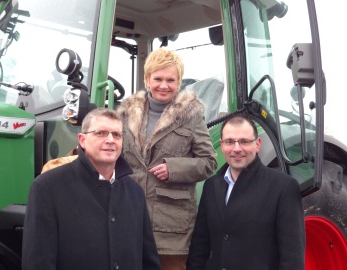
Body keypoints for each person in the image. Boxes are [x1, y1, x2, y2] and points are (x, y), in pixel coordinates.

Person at [22, 108, 161, 270]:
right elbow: (37, 262)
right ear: (82, 140)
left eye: (117, 135)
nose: (110, 140)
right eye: (101, 133)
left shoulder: (134, 192)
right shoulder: (47, 188)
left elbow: (148, 259)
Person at [117, 48, 217, 270]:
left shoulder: (191, 116)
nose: (164, 85)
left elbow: (209, 162)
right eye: (158, 79)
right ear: (147, 79)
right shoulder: (124, 115)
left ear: (179, 81)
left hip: (170, 225)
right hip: (129, 216)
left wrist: (174, 168)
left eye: (171, 80)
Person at [186, 113, 306, 270]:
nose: (237, 149)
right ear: (221, 145)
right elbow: (199, 247)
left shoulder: (283, 187)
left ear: (257, 144)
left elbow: (292, 258)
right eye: (229, 142)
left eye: (244, 142)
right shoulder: (211, 186)